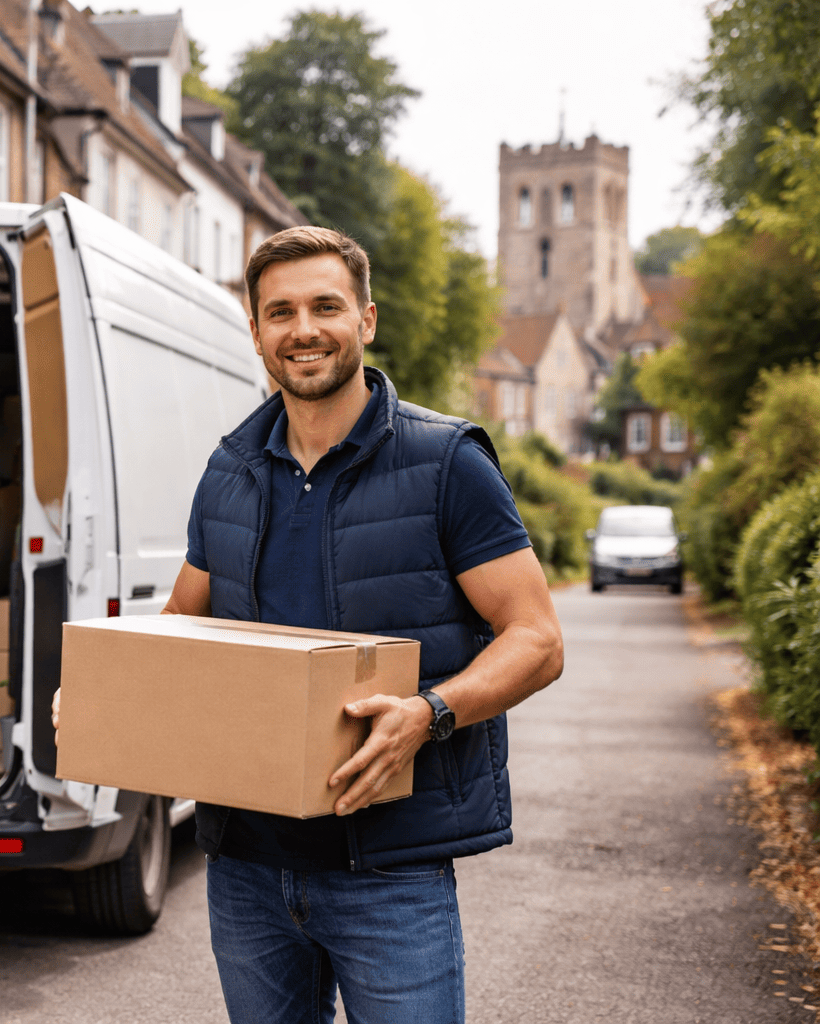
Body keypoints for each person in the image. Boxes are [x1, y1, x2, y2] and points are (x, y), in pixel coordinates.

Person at [56, 225, 563, 1023]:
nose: (303, 329)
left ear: (365, 319)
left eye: (325, 306)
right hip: (248, 868)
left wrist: (428, 715)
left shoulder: (447, 464)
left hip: (391, 869)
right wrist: (102, 698)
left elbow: (537, 639)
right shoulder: (229, 471)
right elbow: (180, 626)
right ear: (256, 331)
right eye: (280, 311)